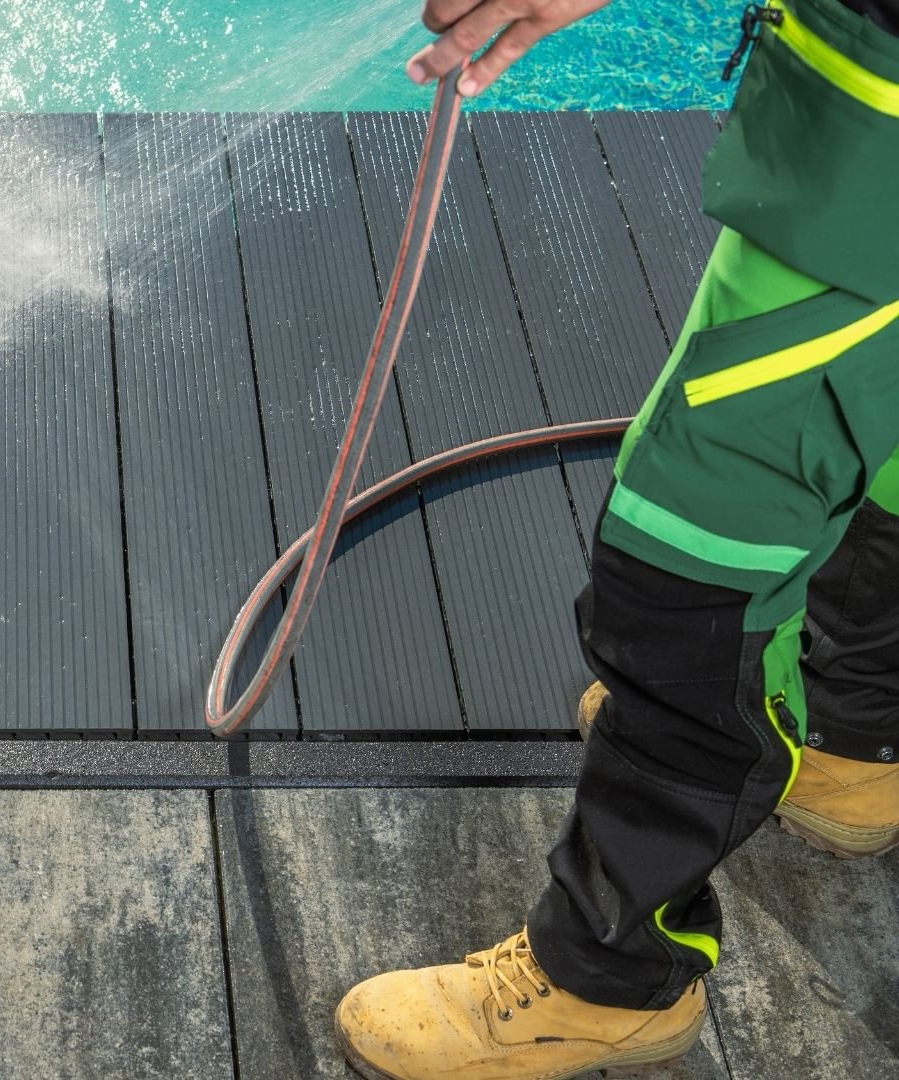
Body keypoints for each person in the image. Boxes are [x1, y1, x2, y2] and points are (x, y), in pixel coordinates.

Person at [334, 1, 899, 1077]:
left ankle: (607, 980)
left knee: (686, 563)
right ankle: (851, 746)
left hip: (876, 194)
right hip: (863, 155)